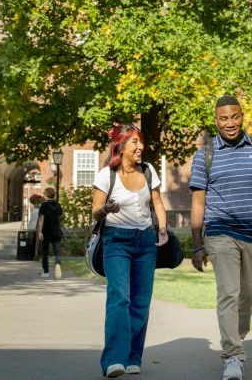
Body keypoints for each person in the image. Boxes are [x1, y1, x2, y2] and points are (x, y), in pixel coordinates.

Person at [189, 95, 252, 380]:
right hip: (220, 232)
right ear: (216, 120)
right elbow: (197, 202)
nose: (229, 123)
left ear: (242, 116)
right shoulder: (205, 155)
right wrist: (197, 244)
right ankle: (233, 355)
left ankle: (235, 340)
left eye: (235, 117)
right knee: (228, 293)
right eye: (223, 118)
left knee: (250, 296)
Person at [92, 124, 169, 378]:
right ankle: (114, 359)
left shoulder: (148, 171)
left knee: (141, 302)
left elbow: (157, 203)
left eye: (141, 141)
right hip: (116, 241)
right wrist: (106, 210)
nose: (141, 147)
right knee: (120, 297)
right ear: (121, 146)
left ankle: (133, 356)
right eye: (135, 142)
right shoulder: (106, 175)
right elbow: (95, 211)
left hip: (146, 241)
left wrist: (163, 229)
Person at [37, 187, 63, 279]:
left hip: (46, 231)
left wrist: (40, 232)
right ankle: (58, 267)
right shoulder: (58, 205)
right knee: (57, 251)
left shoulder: (43, 205)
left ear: (45, 195)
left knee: (45, 252)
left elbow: (41, 219)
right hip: (56, 230)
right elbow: (59, 215)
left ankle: (46, 272)